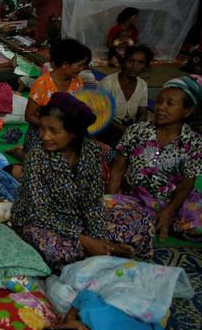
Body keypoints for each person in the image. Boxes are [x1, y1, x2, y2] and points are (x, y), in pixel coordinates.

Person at [11, 93, 142, 272]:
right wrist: (85, 240)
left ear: (73, 132)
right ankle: (106, 250)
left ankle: (105, 248)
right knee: (57, 250)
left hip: (77, 219)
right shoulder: (37, 157)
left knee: (138, 221)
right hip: (39, 221)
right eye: (42, 128)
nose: (45, 136)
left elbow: (93, 203)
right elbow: (40, 213)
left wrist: (98, 239)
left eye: (54, 131)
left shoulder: (90, 152)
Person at [108, 76, 202, 241]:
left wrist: (170, 210)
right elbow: (118, 169)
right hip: (136, 198)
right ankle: (149, 223)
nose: (160, 108)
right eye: (159, 102)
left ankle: (154, 222)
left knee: (197, 223)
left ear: (187, 111)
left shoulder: (193, 142)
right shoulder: (136, 131)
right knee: (106, 212)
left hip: (172, 200)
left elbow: (187, 183)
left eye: (170, 104)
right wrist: (110, 201)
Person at [15, 39, 91, 158]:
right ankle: (20, 153)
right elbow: (29, 116)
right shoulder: (42, 84)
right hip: (43, 132)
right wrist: (53, 129)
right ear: (65, 64)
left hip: (66, 133)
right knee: (47, 160)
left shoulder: (77, 82)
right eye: (79, 65)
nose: (82, 69)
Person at [97, 45, 153, 146]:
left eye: (140, 63)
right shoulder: (108, 83)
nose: (135, 66)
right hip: (108, 128)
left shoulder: (142, 85)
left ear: (145, 66)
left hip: (130, 128)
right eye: (131, 61)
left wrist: (136, 128)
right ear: (123, 62)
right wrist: (126, 131)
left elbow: (142, 112)